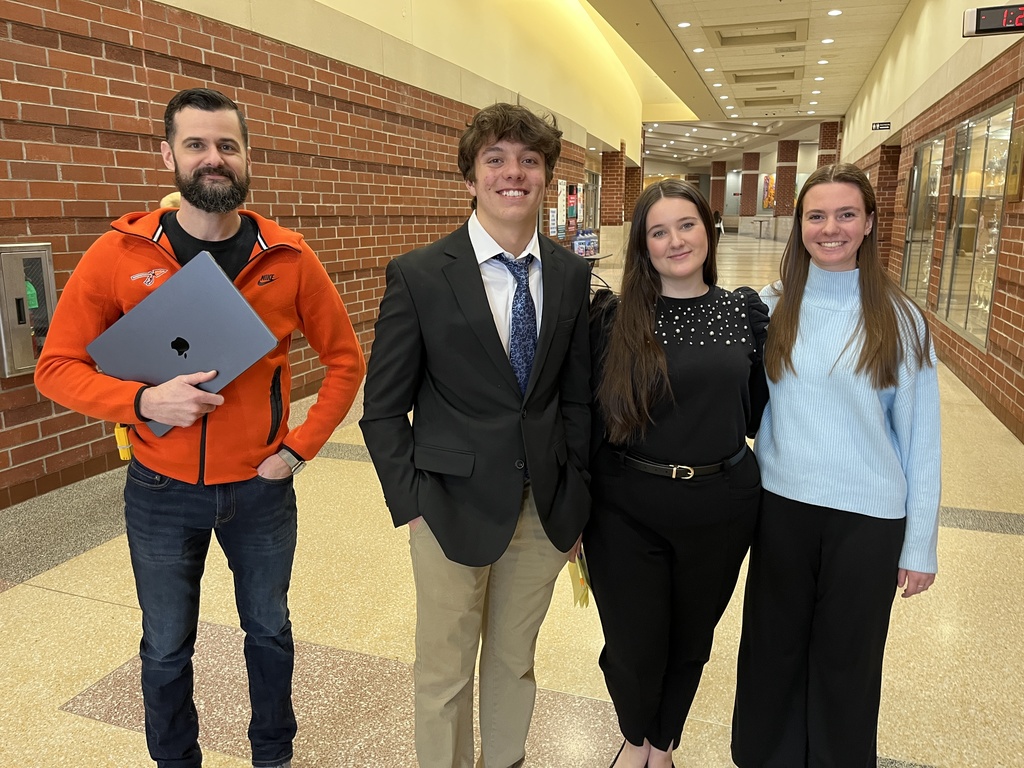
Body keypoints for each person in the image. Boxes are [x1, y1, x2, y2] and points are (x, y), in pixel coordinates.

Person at [35, 87, 366, 768]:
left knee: (269, 633)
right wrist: (143, 403)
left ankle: (272, 756)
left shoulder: (287, 256)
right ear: (169, 155)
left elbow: (344, 361)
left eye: (227, 145)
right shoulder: (119, 255)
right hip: (160, 489)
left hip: (261, 490)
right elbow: (56, 368)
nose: (213, 158)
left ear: (246, 157)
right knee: (163, 645)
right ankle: (175, 760)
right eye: (196, 145)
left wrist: (297, 451)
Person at [359, 102, 591, 768]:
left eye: (528, 160)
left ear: (546, 176)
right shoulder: (421, 275)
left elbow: (576, 400)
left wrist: (574, 502)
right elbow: (381, 409)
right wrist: (413, 503)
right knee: (444, 671)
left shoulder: (571, 275)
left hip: (541, 511)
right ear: (470, 178)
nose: (512, 173)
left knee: (514, 663)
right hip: (447, 508)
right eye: (496, 159)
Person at [731, 163, 940, 767]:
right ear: (798, 227)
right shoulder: (769, 308)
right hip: (783, 507)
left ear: (870, 223)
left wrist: (919, 544)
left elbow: (920, 440)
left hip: (869, 520)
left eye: (847, 214)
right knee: (773, 650)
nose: (831, 228)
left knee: (847, 659)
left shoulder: (900, 319)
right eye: (816, 216)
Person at [586, 179, 769, 768]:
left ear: (707, 229)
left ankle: (663, 746)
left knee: (692, 641)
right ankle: (635, 736)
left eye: (685, 225)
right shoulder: (613, 319)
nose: (674, 241)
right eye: (657, 231)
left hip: (720, 505)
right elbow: (586, 419)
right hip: (625, 507)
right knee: (632, 645)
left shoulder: (743, 310)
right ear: (643, 245)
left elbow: (762, 408)